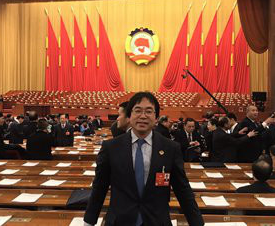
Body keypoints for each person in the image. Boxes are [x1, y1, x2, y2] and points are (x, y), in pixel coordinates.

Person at [84, 92, 204, 226]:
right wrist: (89, 221)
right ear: (129, 115)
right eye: (138, 111)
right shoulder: (111, 147)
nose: (143, 116)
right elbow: (99, 187)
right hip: (120, 220)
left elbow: (182, 189)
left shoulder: (171, 148)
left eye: (148, 111)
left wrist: (197, 222)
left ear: (156, 117)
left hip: (157, 221)